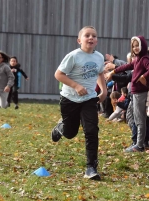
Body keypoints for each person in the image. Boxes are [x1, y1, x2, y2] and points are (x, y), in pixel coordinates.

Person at [50, 26, 107, 180]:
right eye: (87, 35)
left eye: (94, 36)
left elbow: (100, 73)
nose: (91, 38)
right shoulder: (73, 56)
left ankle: (91, 168)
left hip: (89, 99)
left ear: (97, 40)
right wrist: (75, 85)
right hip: (69, 99)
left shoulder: (99, 57)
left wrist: (104, 90)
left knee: (91, 131)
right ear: (79, 40)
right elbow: (58, 74)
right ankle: (61, 127)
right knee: (70, 133)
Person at [106, 36, 149, 152]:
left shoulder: (144, 59)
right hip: (134, 92)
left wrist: (144, 77)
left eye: (137, 45)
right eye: (133, 46)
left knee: (140, 119)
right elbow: (127, 66)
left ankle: (139, 145)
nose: (135, 48)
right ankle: (137, 142)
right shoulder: (137, 59)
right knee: (133, 117)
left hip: (140, 92)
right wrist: (114, 71)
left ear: (142, 46)